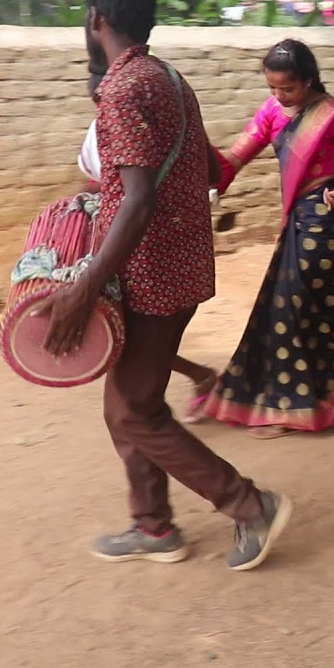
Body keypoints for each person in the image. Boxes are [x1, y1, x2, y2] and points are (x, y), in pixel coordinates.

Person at [37, 0, 290, 571]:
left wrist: (85, 286)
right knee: (127, 404)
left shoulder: (125, 92)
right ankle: (153, 526)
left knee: (132, 410)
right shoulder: (170, 79)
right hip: (176, 269)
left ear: (97, 18)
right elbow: (206, 168)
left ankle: (251, 506)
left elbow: (137, 201)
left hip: (150, 279)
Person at [200, 39, 334, 440]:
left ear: (308, 81)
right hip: (296, 221)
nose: (279, 95)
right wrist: (201, 162)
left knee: (292, 309)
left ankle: (294, 405)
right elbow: (236, 158)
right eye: (273, 88)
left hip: (326, 221)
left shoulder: (332, 116)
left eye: (287, 89)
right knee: (316, 311)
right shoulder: (272, 111)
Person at [79, 66, 234, 424]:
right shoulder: (175, 109)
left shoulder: (118, 120)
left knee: (135, 395)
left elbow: (129, 196)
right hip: (185, 259)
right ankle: (196, 381)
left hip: (147, 263)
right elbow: (214, 172)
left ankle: (230, 482)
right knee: (146, 359)